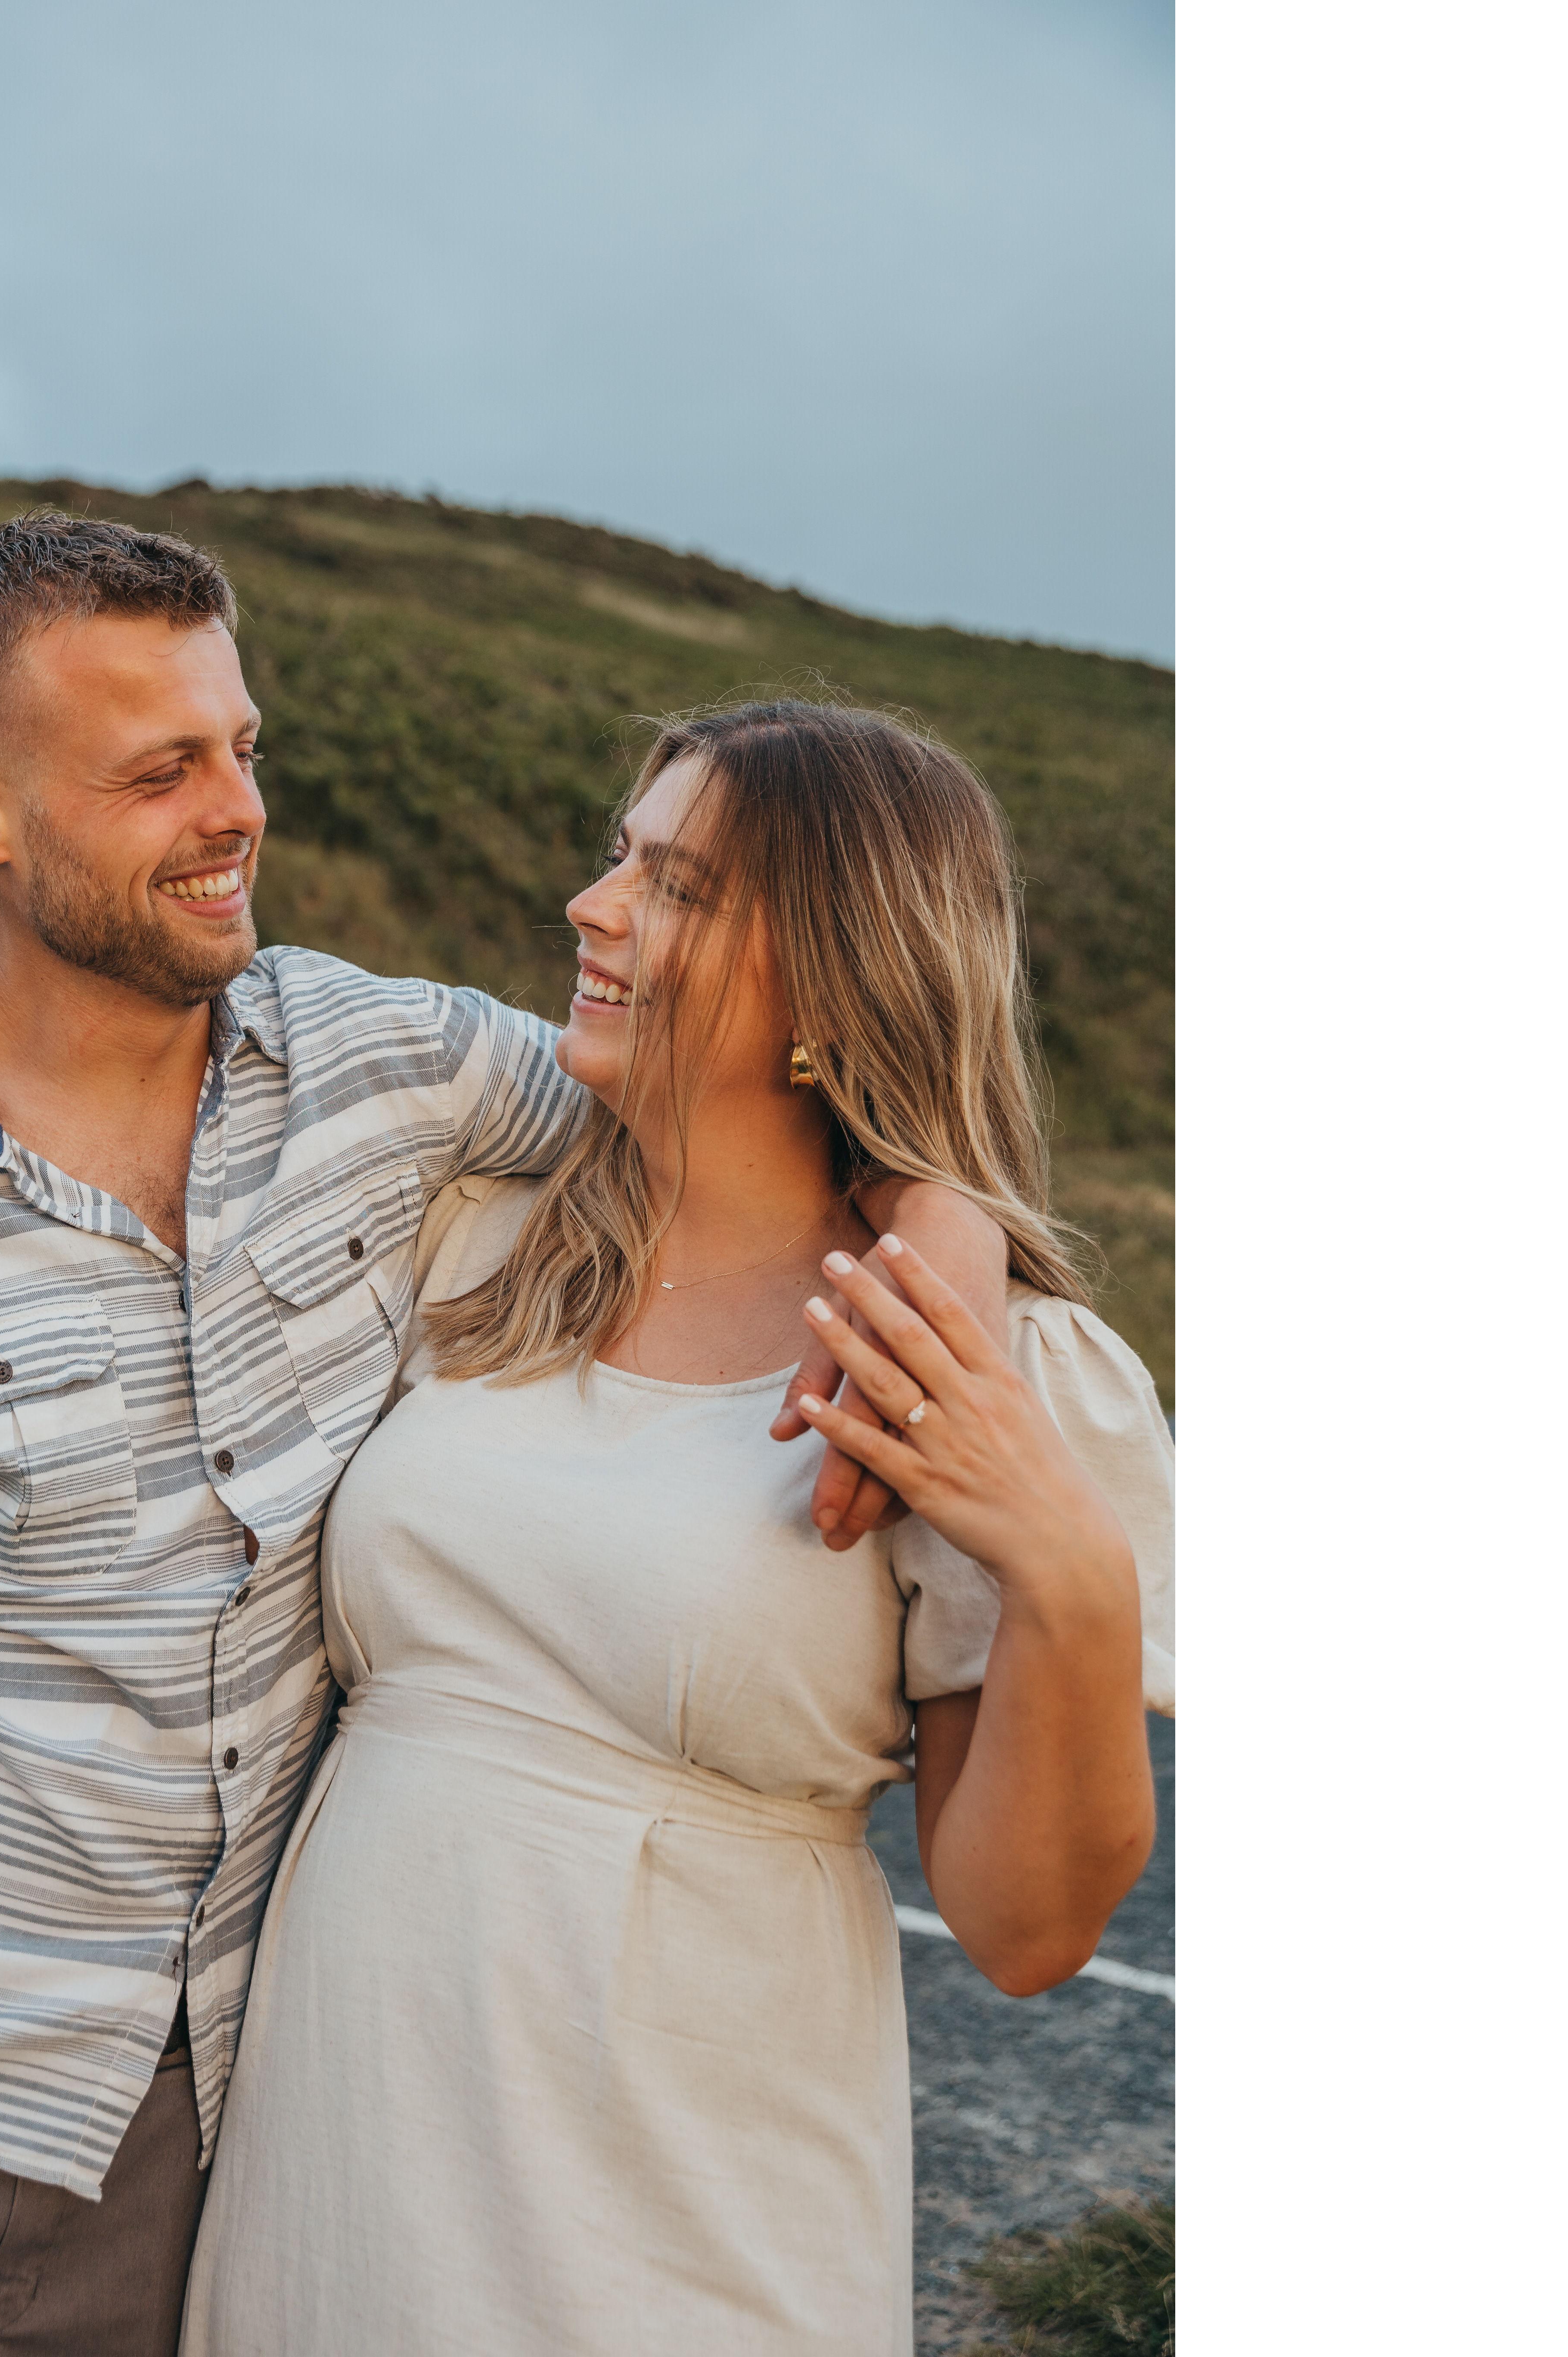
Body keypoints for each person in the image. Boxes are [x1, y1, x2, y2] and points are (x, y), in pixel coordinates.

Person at [0, 521, 1010, 2354]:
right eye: (158, 770)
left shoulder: (401, 1070)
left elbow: (750, 1089)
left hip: (229, 2137)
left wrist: (948, 1245)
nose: (233, 810)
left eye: (241, 746)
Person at [180, 698, 1176, 2357]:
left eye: (683, 885)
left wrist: (1069, 1568)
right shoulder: (476, 1239)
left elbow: (1023, 1927)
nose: (594, 904)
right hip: (337, 2152)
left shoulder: (976, 1364)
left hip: (673, 2196)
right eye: (617, 856)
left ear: (845, 976)